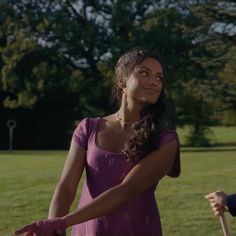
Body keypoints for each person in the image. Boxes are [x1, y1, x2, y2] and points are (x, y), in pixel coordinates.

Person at [15, 48, 181, 236]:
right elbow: (67, 187)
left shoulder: (165, 140)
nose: (154, 82)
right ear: (122, 81)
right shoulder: (88, 128)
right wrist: (54, 228)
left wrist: (61, 222)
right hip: (87, 231)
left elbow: (128, 190)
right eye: (144, 73)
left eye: (159, 77)